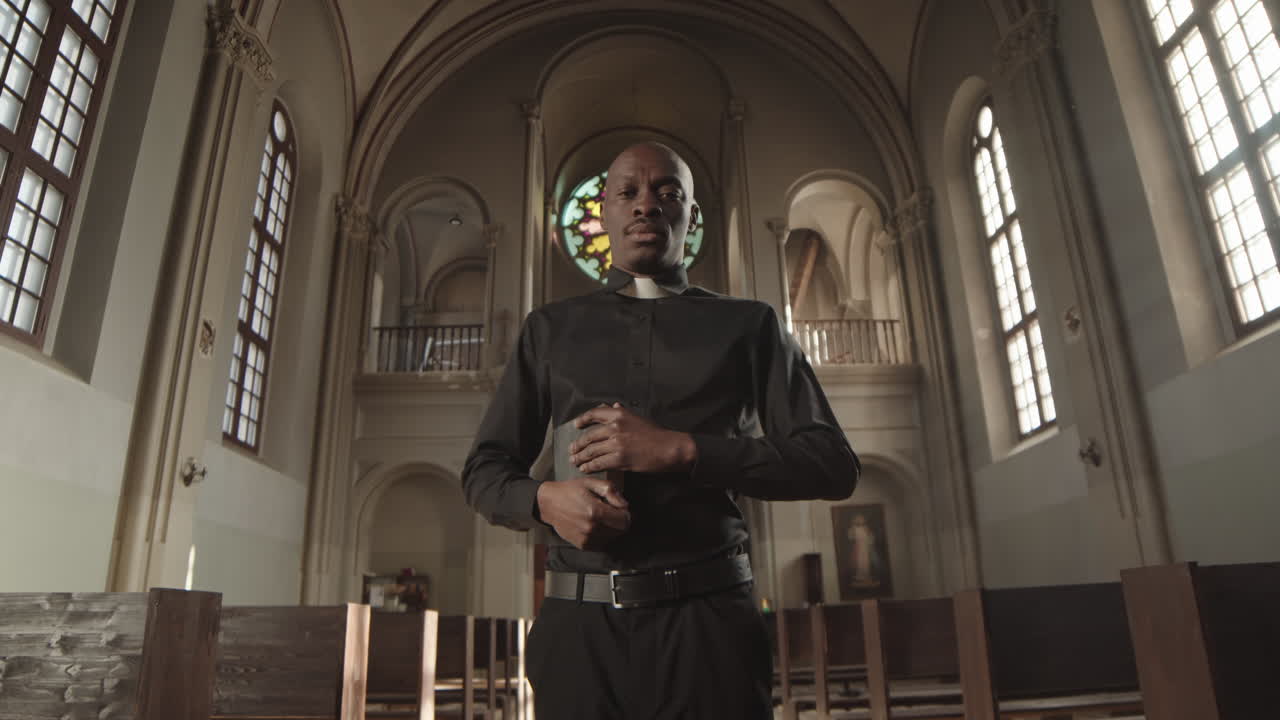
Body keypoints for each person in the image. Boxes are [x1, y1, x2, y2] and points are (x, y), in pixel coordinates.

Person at [461, 142, 859, 719]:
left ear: (690, 215)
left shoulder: (750, 325)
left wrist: (683, 450)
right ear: (604, 212)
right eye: (628, 192)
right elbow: (484, 471)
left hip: (711, 627)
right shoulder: (549, 329)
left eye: (667, 192)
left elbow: (831, 463)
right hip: (579, 632)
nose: (646, 205)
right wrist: (545, 500)